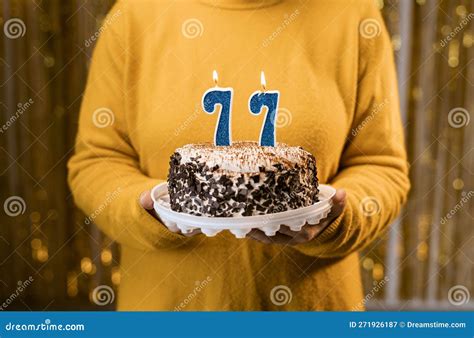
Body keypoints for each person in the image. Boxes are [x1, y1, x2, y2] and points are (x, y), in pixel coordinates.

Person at [68, 0, 410, 310]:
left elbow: (381, 165)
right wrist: (145, 210)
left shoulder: (352, 15)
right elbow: (97, 161)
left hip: (310, 310)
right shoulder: (134, 16)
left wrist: (335, 222)